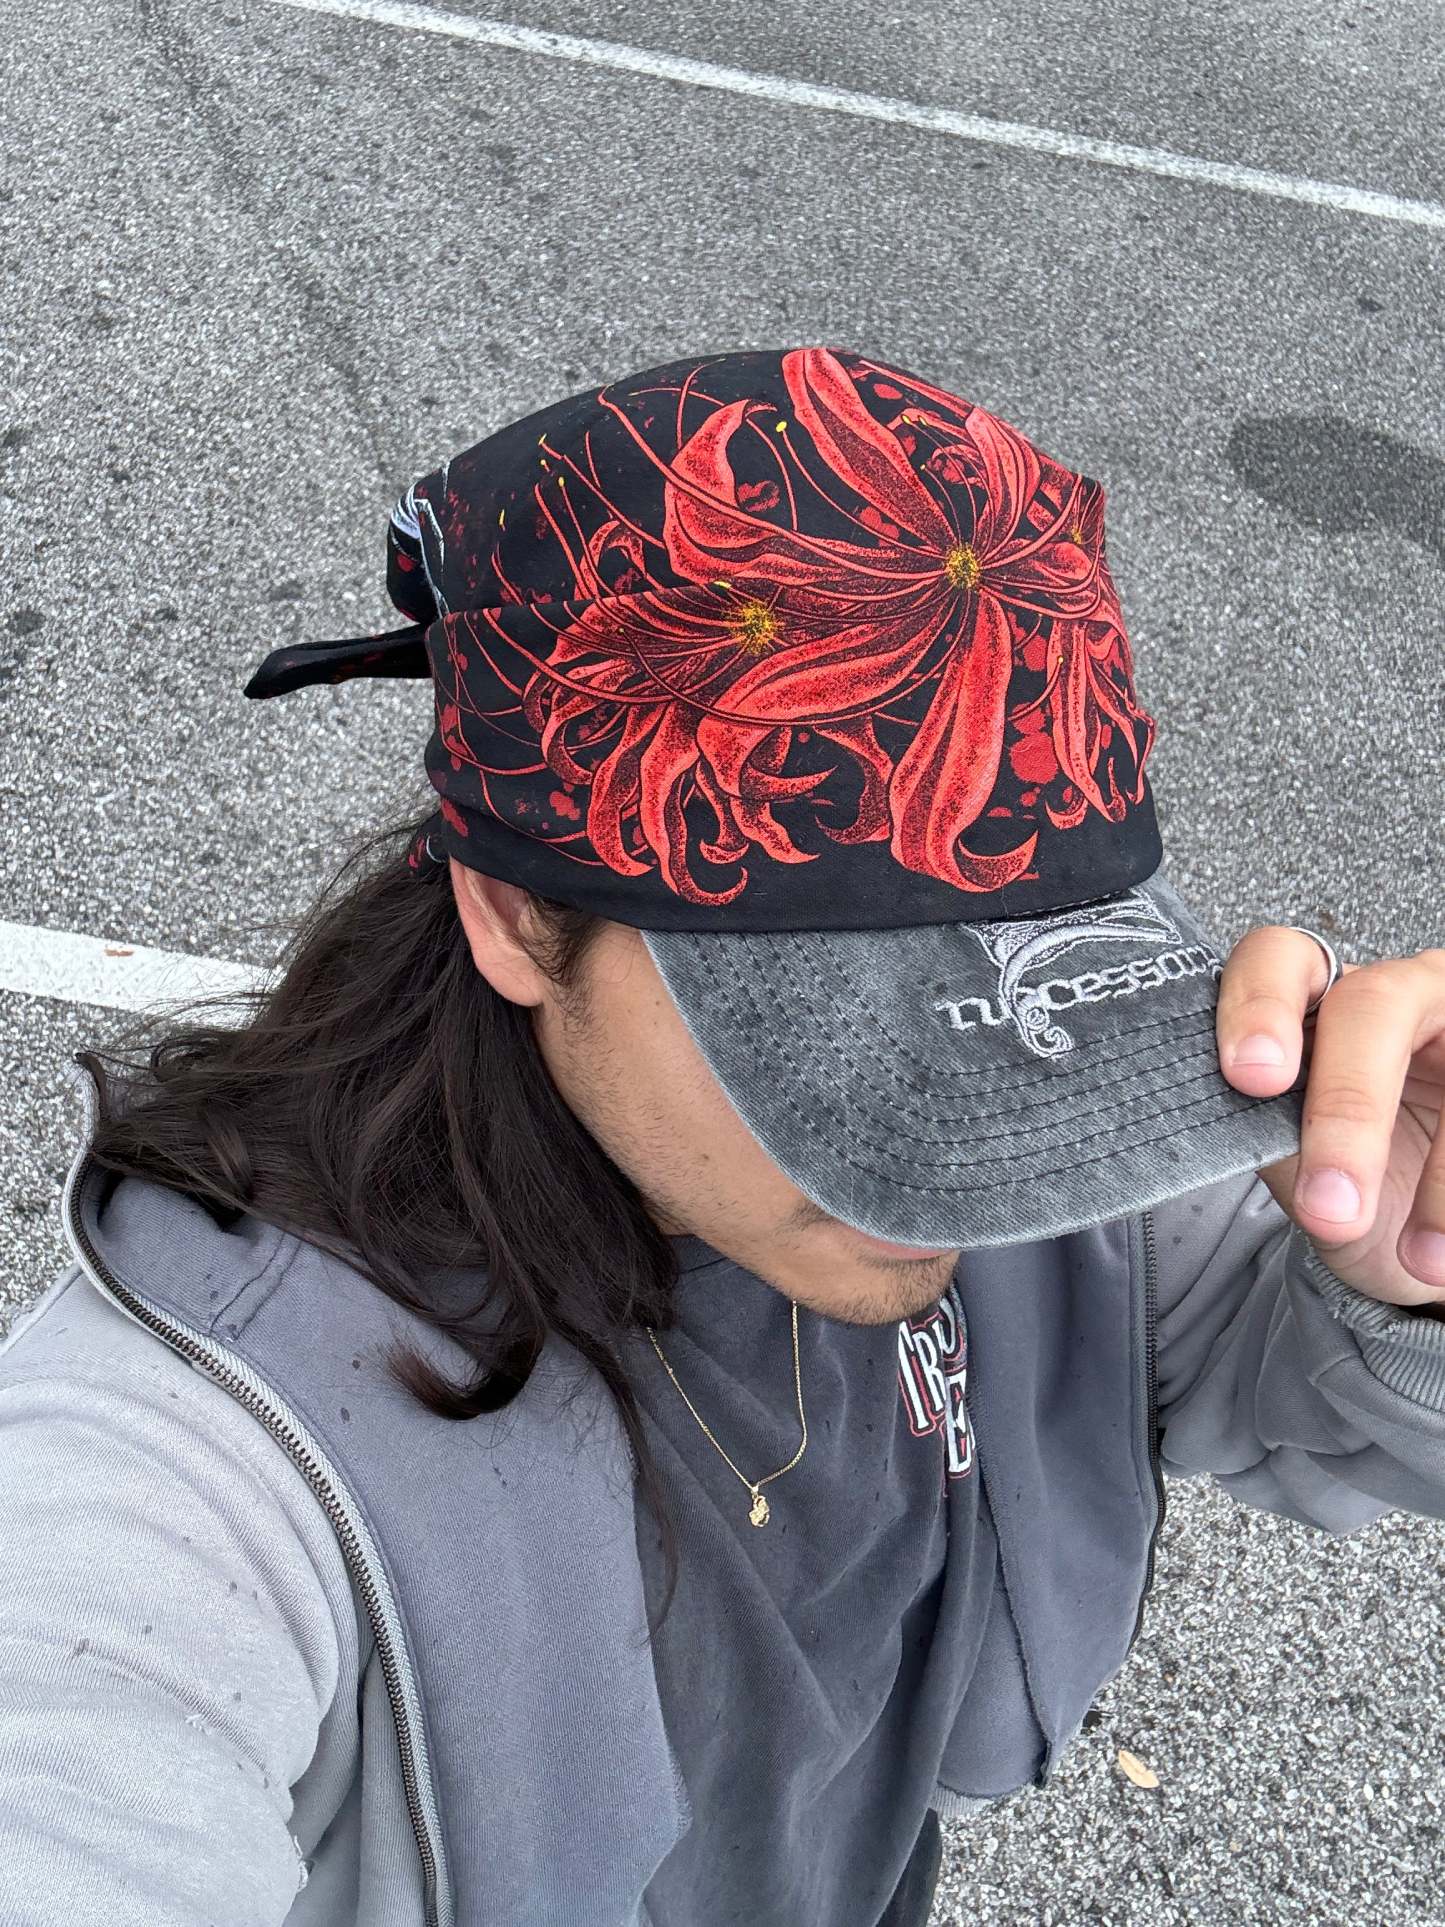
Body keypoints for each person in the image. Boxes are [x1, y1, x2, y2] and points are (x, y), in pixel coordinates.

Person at [2, 344, 1443, 1927]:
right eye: (822, 995)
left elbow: (1347, 1409)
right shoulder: (194, 1464)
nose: (968, 1141)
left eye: (1029, 966)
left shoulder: (1050, 1142)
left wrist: (1411, 1258)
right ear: (514, 914)